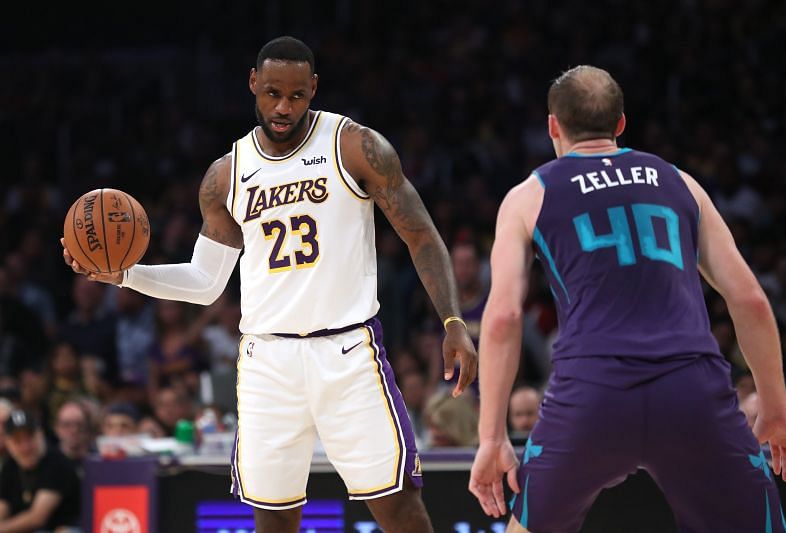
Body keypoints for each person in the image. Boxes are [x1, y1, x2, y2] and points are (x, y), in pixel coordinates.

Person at [62, 35, 477, 533]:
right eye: (273, 92)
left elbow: (422, 236)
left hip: (347, 353)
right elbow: (204, 282)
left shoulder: (355, 147)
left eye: (297, 95)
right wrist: (126, 274)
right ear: (253, 83)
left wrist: (452, 321)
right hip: (268, 363)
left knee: (401, 510)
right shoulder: (225, 176)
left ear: (314, 90)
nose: (284, 107)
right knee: (274, 521)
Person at [469, 65, 786, 532]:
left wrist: (491, 437)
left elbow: (502, 318)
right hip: (691, 390)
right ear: (621, 123)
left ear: (553, 126)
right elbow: (750, 300)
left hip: (591, 393)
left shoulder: (529, 195)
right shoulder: (680, 181)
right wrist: (777, 407)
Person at [0, 410, 81, 531]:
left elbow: (37, 518)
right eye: (17, 441)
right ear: (8, 442)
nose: (25, 447)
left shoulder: (57, 463)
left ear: (40, 434)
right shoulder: (10, 466)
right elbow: (2, 508)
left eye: (30, 437)